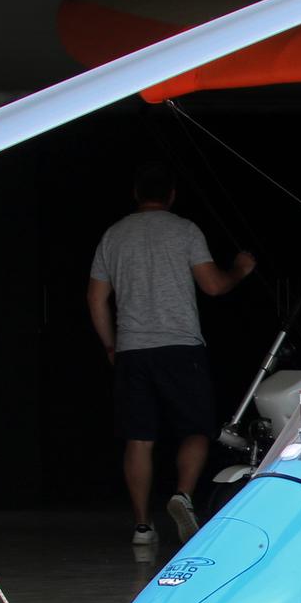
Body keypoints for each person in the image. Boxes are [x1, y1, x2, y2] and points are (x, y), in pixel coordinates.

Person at [87, 164, 255, 546]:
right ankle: (182, 494)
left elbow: (96, 298)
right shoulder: (184, 230)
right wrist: (240, 270)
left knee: (139, 438)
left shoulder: (114, 235)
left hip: (132, 350)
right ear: (172, 195)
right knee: (196, 429)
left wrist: (111, 344)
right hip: (181, 347)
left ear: (135, 193)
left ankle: (142, 527)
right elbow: (213, 286)